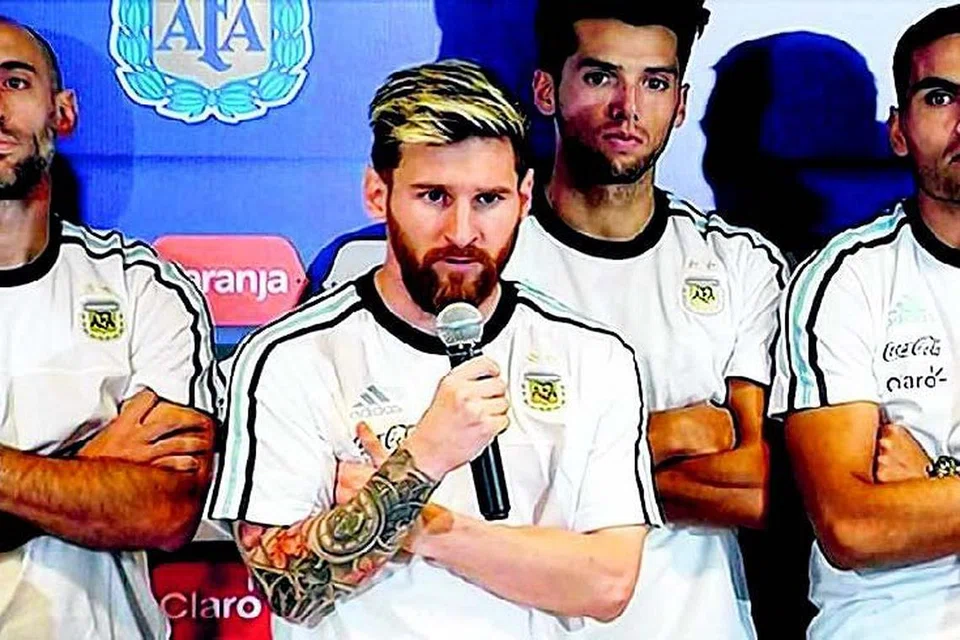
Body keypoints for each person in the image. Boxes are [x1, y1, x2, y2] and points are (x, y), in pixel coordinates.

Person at [304, 5, 786, 638]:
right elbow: (372, 479)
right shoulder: (456, 261)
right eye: (600, 77)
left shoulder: (738, 263)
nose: (628, 108)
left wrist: (536, 465)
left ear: (681, 102)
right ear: (546, 89)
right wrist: (675, 434)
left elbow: (756, 489)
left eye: (655, 82)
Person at [209, 59, 660, 640]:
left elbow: (606, 585)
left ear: (524, 197)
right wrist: (425, 455)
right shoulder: (291, 355)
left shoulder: (594, 356)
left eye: (489, 199)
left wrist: (419, 521)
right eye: (434, 196)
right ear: (378, 194)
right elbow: (288, 588)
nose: (462, 231)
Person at [0, 17, 219, 639]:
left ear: (63, 111)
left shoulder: (145, 287)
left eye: (14, 82)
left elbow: (167, 509)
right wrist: (91, 464)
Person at [771, 5, 960, 639]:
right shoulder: (846, 277)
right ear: (898, 130)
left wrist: (937, 480)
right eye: (940, 97)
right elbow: (851, 526)